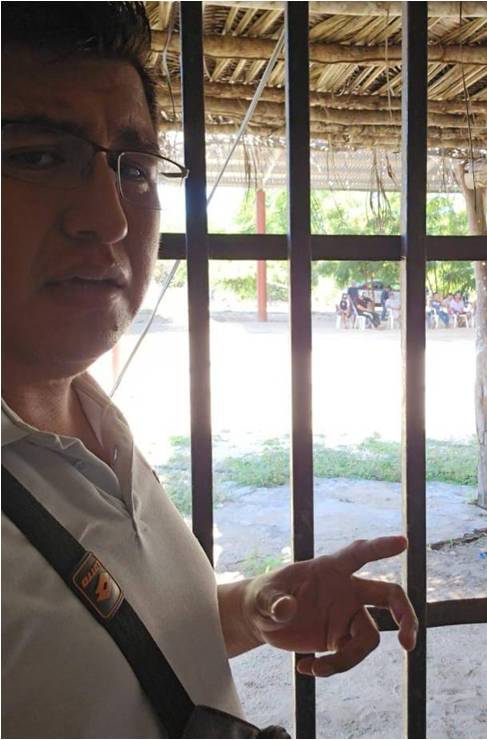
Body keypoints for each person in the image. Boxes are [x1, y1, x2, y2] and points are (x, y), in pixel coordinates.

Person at [0, 5, 419, 736]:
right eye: (38, 156)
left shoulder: (97, 424)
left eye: (134, 168)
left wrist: (251, 608)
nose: (110, 217)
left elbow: (96, 646)